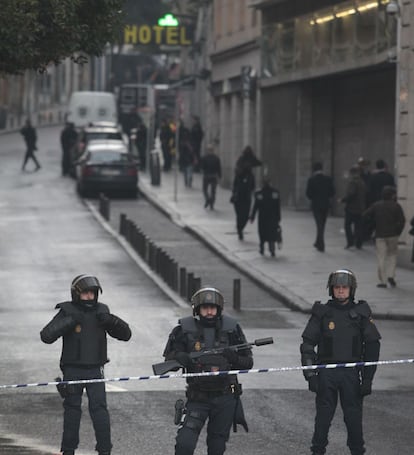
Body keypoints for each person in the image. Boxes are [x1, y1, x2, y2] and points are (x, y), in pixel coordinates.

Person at [40, 275, 132, 455]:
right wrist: (70, 320)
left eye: (93, 293)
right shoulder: (67, 310)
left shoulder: (102, 311)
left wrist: (111, 321)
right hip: (73, 369)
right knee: (72, 411)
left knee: (99, 410)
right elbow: (46, 336)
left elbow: (126, 334)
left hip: (95, 369)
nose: (90, 297)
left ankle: (105, 450)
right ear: (76, 294)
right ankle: (68, 450)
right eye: (85, 293)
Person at [162, 287, 253, 455]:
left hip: (225, 396)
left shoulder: (232, 329)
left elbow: (248, 363)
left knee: (217, 446)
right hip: (198, 397)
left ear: (219, 309)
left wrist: (233, 358)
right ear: (197, 309)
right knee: (184, 445)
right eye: (205, 308)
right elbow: (169, 359)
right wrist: (180, 357)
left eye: (213, 308)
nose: (210, 311)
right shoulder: (184, 329)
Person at [300, 269, 381, 455]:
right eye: (337, 287)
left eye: (345, 287)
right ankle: (317, 451)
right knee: (322, 419)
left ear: (351, 290)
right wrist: (310, 375)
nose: (341, 291)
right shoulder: (322, 313)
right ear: (331, 290)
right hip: (326, 373)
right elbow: (307, 345)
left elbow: (372, 347)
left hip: (351, 374)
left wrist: (368, 379)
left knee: (353, 419)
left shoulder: (360, 313)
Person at [363, 186, 405, 288]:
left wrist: (373, 224)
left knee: (381, 257)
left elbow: (365, 215)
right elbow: (402, 220)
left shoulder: (377, 205)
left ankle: (383, 280)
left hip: (380, 235)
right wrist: (398, 231)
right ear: (392, 195)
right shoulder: (396, 206)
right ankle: (391, 275)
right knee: (392, 255)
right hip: (393, 235)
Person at [306, 162, 335, 252]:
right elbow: (333, 192)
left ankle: (321, 244)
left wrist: (314, 197)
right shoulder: (328, 179)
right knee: (322, 224)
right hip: (325, 204)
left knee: (319, 224)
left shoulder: (311, 180)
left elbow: (308, 194)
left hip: (316, 205)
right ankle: (318, 242)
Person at [250, 177, 281, 256]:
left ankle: (262, 247)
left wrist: (253, 216)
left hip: (263, 216)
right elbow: (277, 206)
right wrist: (278, 217)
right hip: (272, 216)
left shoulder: (259, 193)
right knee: (271, 232)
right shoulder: (275, 193)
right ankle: (271, 249)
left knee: (262, 232)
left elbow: (256, 206)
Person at [340, 166, 367, 250]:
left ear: (352, 173)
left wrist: (343, 200)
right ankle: (359, 243)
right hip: (360, 208)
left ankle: (350, 242)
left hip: (352, 208)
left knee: (347, 225)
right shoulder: (362, 182)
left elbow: (351, 194)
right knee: (358, 226)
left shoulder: (353, 182)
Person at [231, 158, 256, 240]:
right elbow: (235, 185)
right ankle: (239, 229)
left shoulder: (251, 176)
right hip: (239, 197)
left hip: (246, 198)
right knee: (240, 215)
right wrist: (234, 193)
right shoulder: (238, 175)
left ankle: (240, 228)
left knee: (244, 216)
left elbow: (253, 186)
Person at [199, 144, 222, 210]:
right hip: (214, 176)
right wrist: (220, 175)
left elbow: (202, 167)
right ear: (213, 150)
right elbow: (219, 168)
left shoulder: (204, 158)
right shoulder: (216, 158)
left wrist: (202, 170)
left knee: (204, 189)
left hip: (207, 175)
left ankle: (208, 199)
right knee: (213, 191)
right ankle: (212, 204)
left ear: (208, 150)